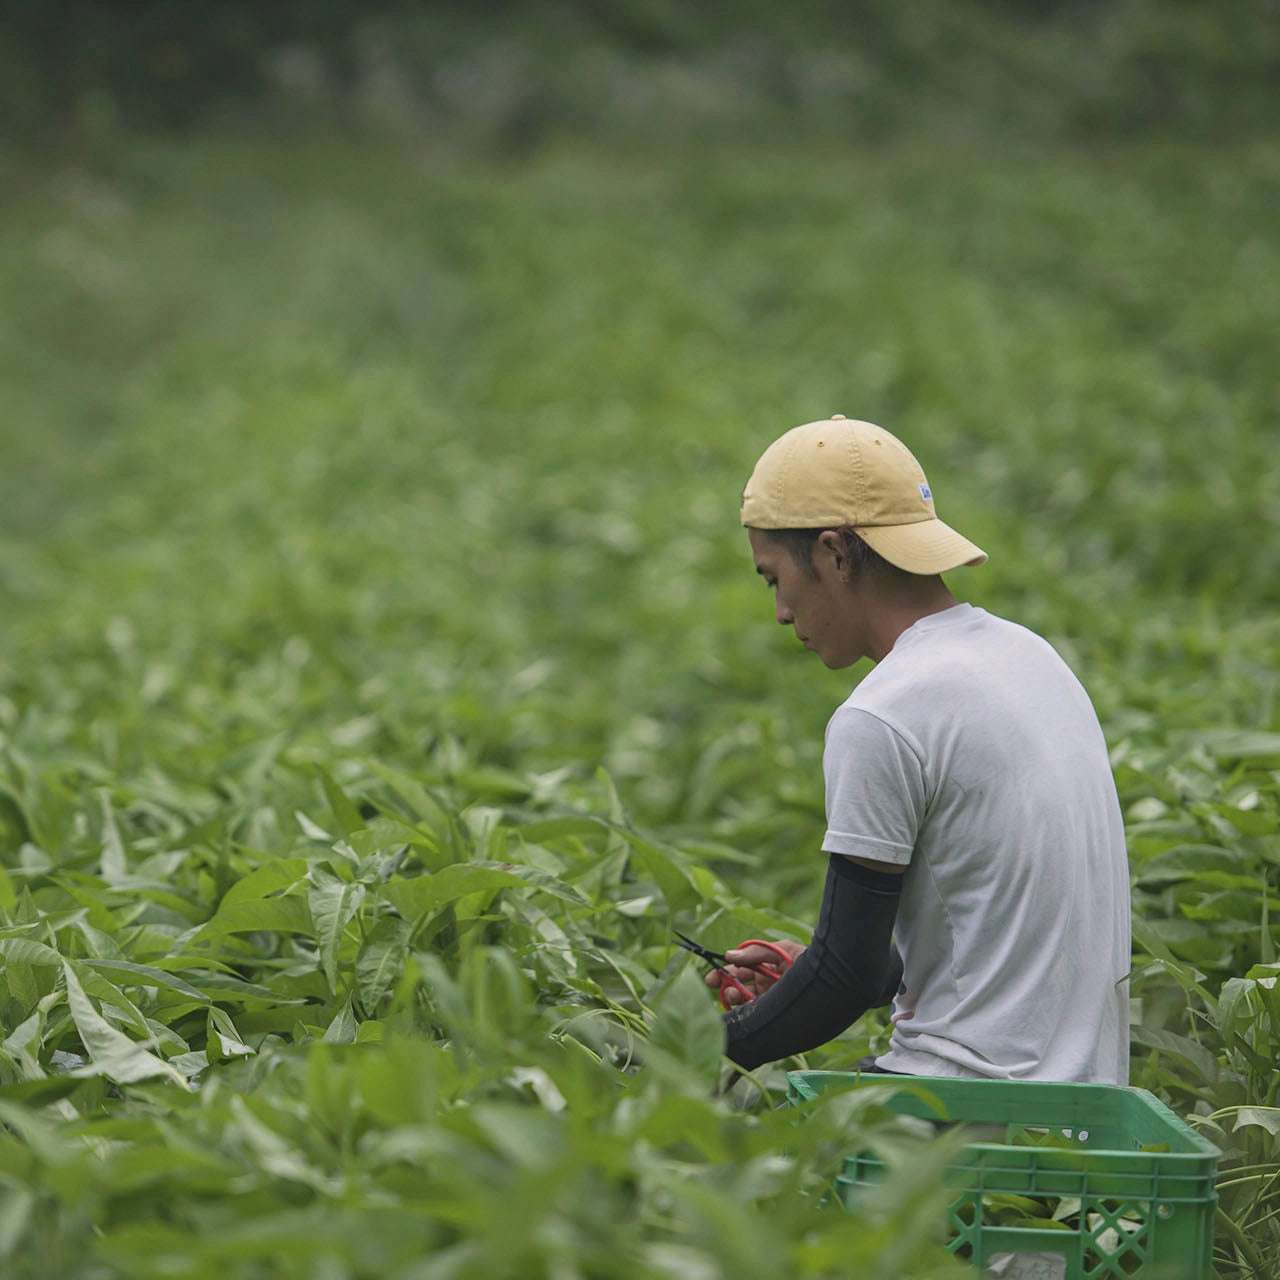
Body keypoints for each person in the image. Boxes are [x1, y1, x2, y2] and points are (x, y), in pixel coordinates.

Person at [711, 416, 1130, 1083]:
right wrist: (804, 970)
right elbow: (986, 939)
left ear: (835, 554)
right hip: (1087, 1096)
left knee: (716, 1130)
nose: (782, 613)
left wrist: (677, 1052)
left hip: (966, 1104)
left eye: (773, 579)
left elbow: (842, 980)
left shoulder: (884, 714)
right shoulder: (1031, 657)